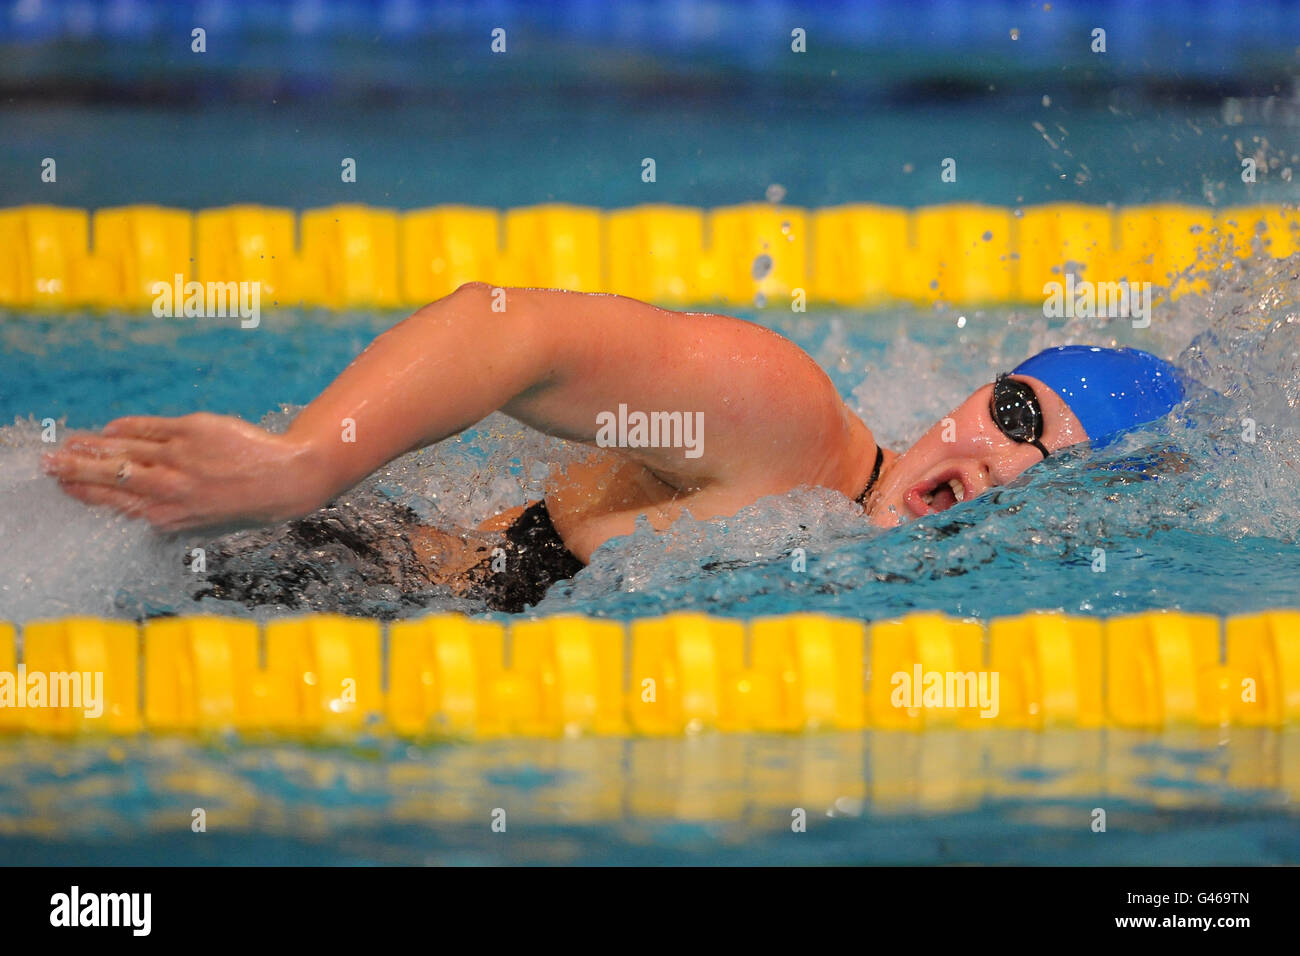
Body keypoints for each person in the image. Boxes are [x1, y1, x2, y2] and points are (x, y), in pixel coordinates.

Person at [40, 284, 1185, 612]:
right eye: (1019, 417)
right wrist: (299, 461)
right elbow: (510, 328)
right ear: (974, 396)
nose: (1003, 464)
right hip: (291, 569)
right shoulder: (790, 430)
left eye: (1054, 468)